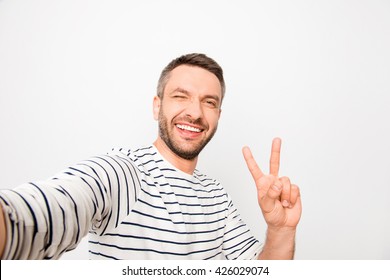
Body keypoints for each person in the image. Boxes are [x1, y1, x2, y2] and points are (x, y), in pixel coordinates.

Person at [0, 53, 301, 260]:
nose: (195, 113)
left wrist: (280, 229)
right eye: (180, 96)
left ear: (218, 115)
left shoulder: (216, 195)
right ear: (157, 106)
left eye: (209, 102)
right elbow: (43, 212)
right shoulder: (122, 173)